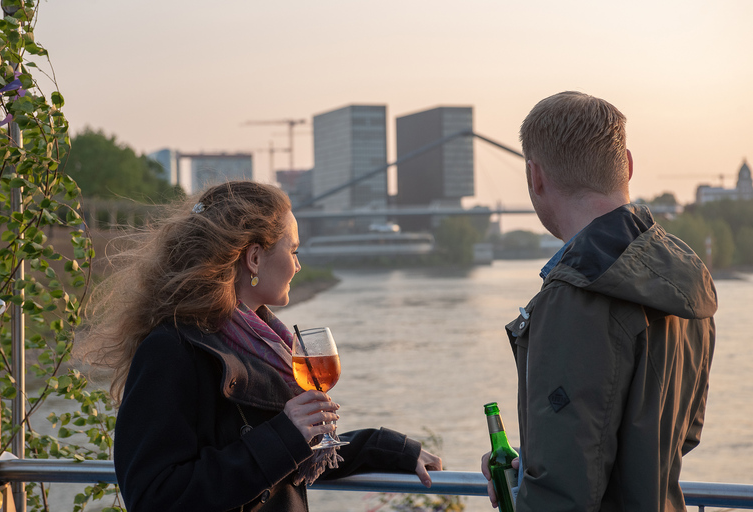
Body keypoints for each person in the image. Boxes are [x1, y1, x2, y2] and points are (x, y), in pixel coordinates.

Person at [86, 181, 442, 511]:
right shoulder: (172, 349)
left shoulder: (264, 344)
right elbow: (152, 496)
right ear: (254, 258)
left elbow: (286, 462)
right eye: (293, 249)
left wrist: (389, 450)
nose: (299, 265)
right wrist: (286, 434)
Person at [481, 91, 717, 511]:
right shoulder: (685, 277)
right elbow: (684, 435)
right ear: (626, 164)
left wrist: (534, 482)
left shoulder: (574, 296)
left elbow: (564, 493)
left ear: (535, 177)